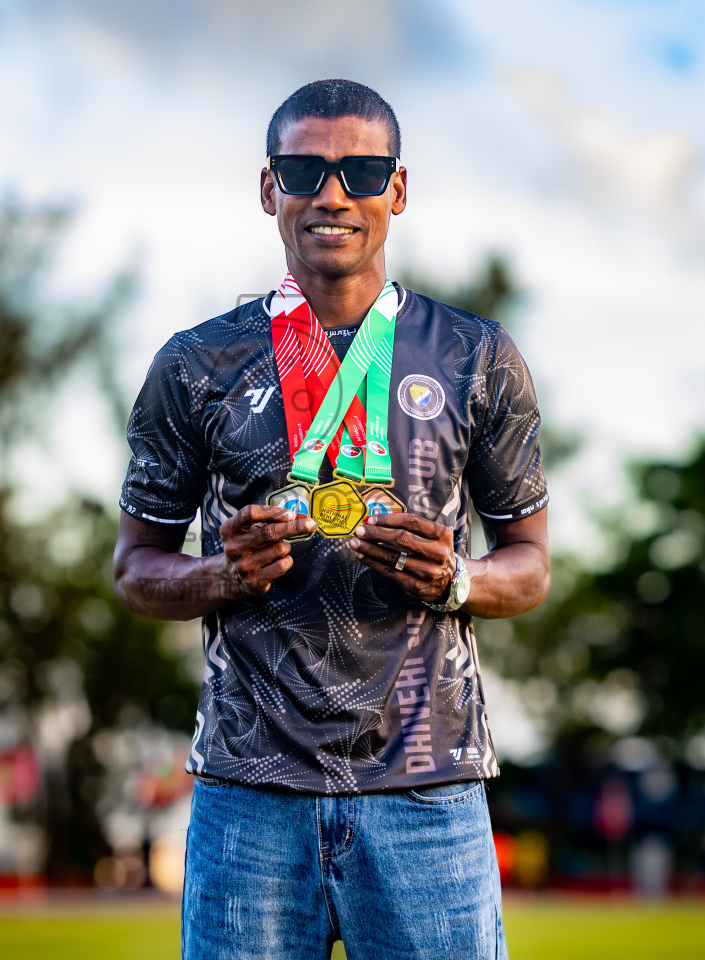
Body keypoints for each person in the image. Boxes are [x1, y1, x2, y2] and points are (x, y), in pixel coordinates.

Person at [114, 79, 551, 960]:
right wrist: (219, 575)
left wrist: (457, 578)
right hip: (251, 789)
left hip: (428, 784)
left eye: (360, 170)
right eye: (305, 169)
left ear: (397, 187)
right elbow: (135, 569)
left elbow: (530, 564)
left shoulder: (476, 358)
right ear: (269, 186)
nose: (333, 193)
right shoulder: (198, 365)